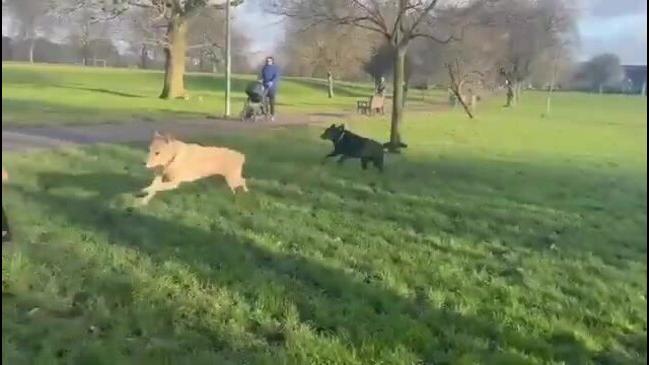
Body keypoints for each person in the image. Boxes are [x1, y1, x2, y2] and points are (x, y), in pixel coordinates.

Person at [260, 56, 280, 121]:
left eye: (269, 61)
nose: (268, 62)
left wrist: (272, 82)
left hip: (272, 87)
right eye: (267, 61)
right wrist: (261, 84)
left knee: (272, 101)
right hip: (265, 86)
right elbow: (261, 76)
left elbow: (276, 76)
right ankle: (266, 113)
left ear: (272, 61)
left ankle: (272, 115)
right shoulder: (264, 68)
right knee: (263, 100)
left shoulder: (275, 68)